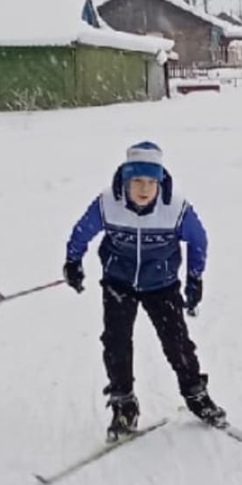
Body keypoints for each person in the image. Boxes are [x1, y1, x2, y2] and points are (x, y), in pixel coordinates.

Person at [63, 140, 227, 440]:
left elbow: (198, 240)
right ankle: (124, 403)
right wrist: (73, 261)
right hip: (118, 283)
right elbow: (82, 230)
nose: (144, 188)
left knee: (177, 342)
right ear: (125, 181)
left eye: (151, 182)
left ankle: (196, 395)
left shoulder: (175, 208)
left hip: (161, 285)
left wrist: (194, 278)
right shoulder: (107, 203)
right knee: (116, 342)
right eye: (137, 180)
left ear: (160, 183)